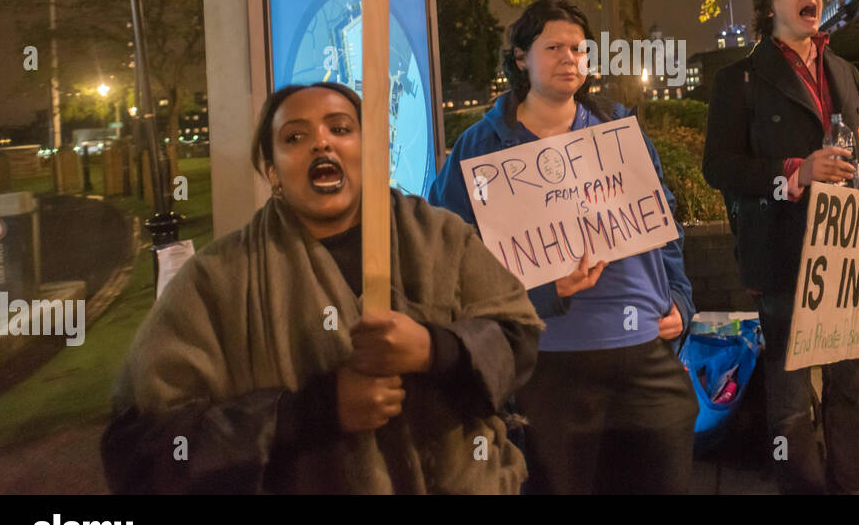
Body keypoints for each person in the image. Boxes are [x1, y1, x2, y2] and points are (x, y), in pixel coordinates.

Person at [101, 82, 542, 494]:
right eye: (294, 137)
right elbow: (138, 447)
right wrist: (309, 413)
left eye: (341, 128)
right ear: (272, 171)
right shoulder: (216, 279)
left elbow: (518, 340)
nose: (321, 142)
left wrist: (434, 349)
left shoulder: (443, 237)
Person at [428, 0, 697, 495]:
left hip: (644, 355)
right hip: (548, 365)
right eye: (552, 47)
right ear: (520, 58)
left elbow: (665, 222)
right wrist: (542, 294)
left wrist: (680, 298)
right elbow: (449, 255)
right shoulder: (480, 147)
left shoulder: (618, 129)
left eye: (579, 47)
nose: (569, 57)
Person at [702, 0, 859, 494]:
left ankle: (852, 481)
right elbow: (719, 166)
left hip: (849, 251)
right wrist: (793, 173)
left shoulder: (844, 71)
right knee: (790, 392)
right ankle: (803, 488)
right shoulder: (738, 79)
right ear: (770, 8)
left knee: (852, 384)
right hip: (782, 253)